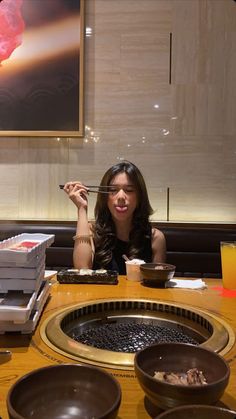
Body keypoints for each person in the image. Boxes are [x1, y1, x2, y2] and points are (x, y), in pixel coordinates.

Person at [63, 160, 166, 274]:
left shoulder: (155, 238)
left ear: (140, 197)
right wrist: (82, 208)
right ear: (105, 197)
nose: (121, 196)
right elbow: (82, 270)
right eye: (113, 190)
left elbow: (158, 283)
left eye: (129, 190)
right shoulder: (92, 231)